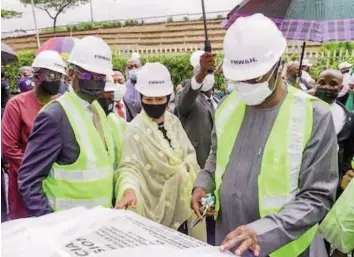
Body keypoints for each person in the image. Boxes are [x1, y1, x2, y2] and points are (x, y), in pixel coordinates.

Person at [191, 14, 338, 257]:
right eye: (239, 79)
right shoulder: (227, 107)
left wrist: (264, 232)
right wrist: (203, 184)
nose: (246, 85)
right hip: (229, 242)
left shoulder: (314, 115)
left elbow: (317, 196)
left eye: (255, 77)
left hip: (281, 248)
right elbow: (216, 158)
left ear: (278, 65)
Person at [18, 36, 116, 217]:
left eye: (100, 77)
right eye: (89, 76)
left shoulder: (96, 109)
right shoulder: (55, 116)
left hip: (99, 223)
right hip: (67, 230)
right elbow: (29, 181)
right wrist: (52, 225)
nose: (96, 81)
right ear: (71, 74)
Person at [115, 63, 205, 241]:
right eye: (149, 100)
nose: (154, 104)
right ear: (141, 97)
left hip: (186, 208)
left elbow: (188, 153)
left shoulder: (173, 122)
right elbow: (130, 167)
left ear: (167, 97)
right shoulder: (135, 129)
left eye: (159, 99)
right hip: (155, 214)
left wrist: (188, 175)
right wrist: (129, 190)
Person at [2, 50, 67, 220]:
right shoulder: (16, 105)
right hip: (26, 182)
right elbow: (9, 148)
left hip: (58, 182)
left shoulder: (61, 104)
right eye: (51, 75)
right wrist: (35, 168)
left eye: (59, 76)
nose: (56, 80)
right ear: (37, 76)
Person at [175, 50, 218, 245]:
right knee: (197, 222)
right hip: (195, 171)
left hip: (212, 173)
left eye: (210, 72)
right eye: (203, 72)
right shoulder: (188, 97)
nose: (208, 76)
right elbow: (183, 102)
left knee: (210, 220)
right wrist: (199, 76)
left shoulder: (214, 100)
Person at [97, 72, 127, 171]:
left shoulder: (117, 121)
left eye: (110, 96)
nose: (107, 100)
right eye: (102, 96)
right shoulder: (86, 120)